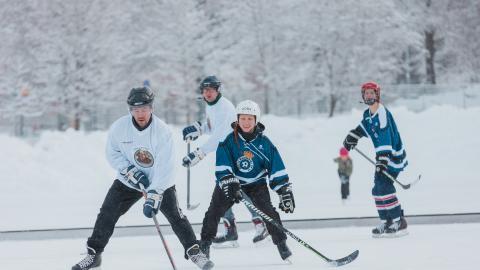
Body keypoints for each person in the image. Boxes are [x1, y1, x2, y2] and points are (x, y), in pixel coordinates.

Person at [71, 86, 213, 270]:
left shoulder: (162, 131)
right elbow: (112, 154)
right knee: (107, 213)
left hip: (159, 181)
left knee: (176, 216)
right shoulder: (119, 128)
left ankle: (194, 252)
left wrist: (154, 193)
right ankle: (94, 254)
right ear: (130, 110)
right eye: (136, 110)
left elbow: (166, 167)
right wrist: (129, 170)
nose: (140, 114)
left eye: (144, 109)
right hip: (129, 181)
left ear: (151, 108)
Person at [198, 100, 295, 261]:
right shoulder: (228, 141)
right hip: (231, 183)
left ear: (256, 120)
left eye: (250, 118)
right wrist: (230, 182)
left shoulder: (265, 143)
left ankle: (282, 245)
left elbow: (276, 168)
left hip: (256, 184)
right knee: (214, 212)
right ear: (237, 120)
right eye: (243, 118)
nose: (246, 122)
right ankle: (205, 245)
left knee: (269, 213)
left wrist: (284, 189)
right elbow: (223, 164)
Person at [182, 76, 269, 246]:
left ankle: (260, 224)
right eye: (205, 90)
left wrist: (198, 154)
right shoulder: (212, 106)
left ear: (217, 90)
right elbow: (214, 127)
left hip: (237, 153)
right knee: (223, 190)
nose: (207, 93)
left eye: (211, 90)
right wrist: (198, 129)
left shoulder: (225, 107)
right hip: (226, 154)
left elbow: (220, 136)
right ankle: (231, 230)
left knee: (240, 189)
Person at [343, 81, 408, 238]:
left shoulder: (382, 113)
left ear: (377, 94)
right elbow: (363, 128)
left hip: (393, 158)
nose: (369, 95)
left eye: (372, 93)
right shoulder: (368, 114)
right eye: (366, 93)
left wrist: (383, 159)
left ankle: (399, 222)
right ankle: (386, 221)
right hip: (382, 158)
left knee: (384, 187)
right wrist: (352, 136)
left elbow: (386, 137)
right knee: (377, 190)